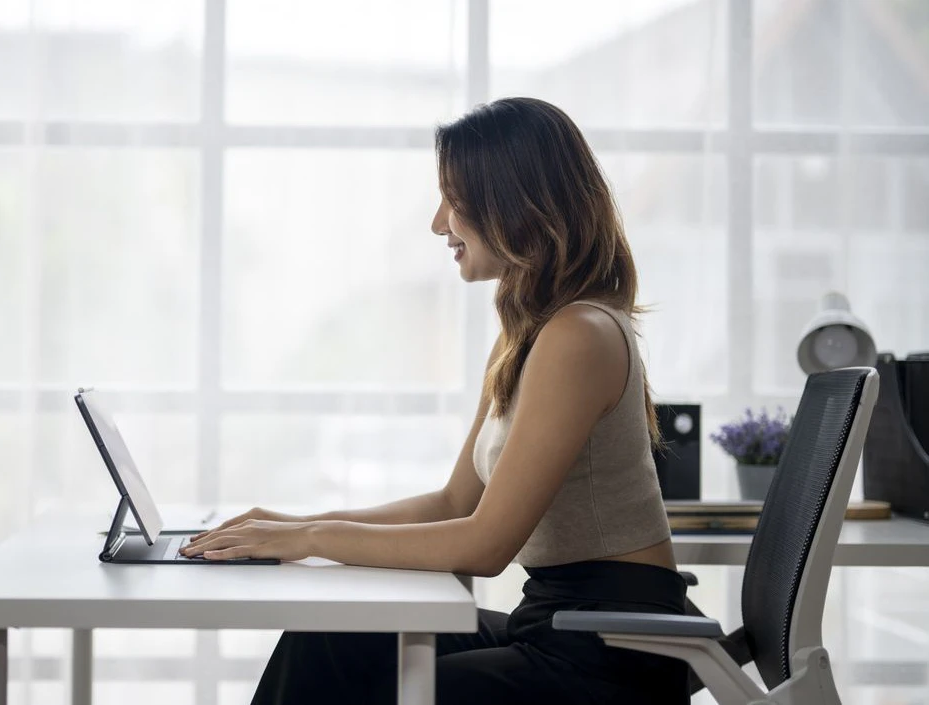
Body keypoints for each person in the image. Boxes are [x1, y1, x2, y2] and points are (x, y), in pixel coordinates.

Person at [181, 97, 688, 705]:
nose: (438, 222)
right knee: (329, 640)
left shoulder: (580, 335)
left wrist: (314, 539)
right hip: (554, 625)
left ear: (514, 202)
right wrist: (292, 525)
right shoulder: (529, 334)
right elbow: (454, 502)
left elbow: (483, 548)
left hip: (614, 652)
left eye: (454, 198)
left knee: (398, 691)